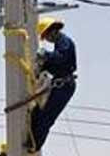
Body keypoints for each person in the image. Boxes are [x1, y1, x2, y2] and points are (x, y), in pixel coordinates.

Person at [27, 16, 77, 152]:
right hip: (60, 84)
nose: (47, 40)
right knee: (37, 112)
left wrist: (46, 56)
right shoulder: (60, 44)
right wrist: (42, 66)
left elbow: (61, 60)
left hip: (64, 86)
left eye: (46, 36)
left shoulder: (64, 42)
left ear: (53, 31)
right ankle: (31, 141)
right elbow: (56, 65)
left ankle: (34, 145)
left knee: (46, 117)